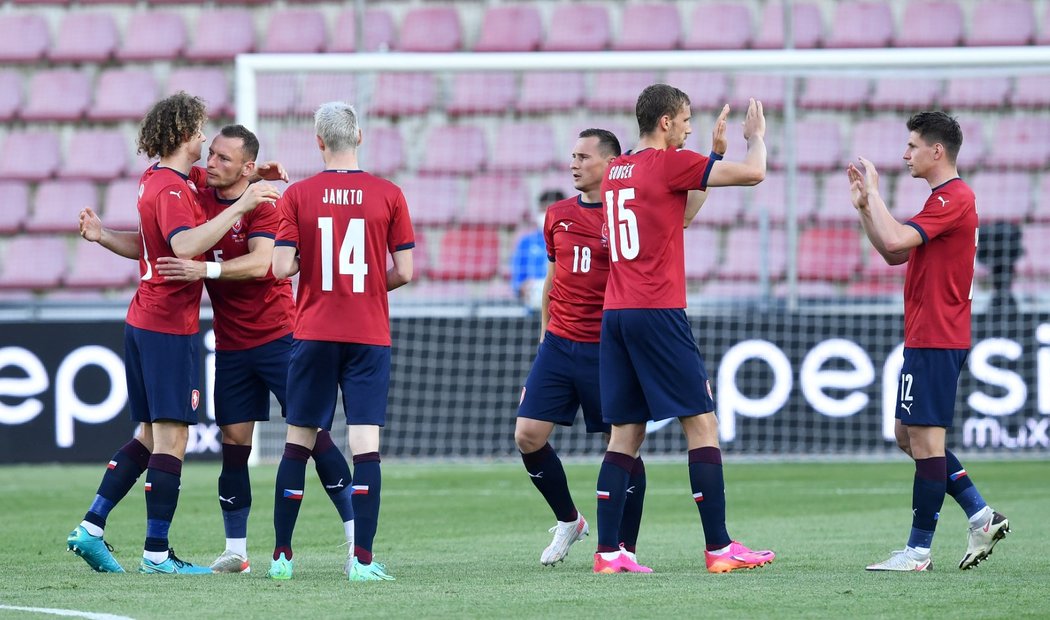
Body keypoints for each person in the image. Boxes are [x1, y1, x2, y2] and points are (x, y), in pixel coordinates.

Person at [78, 124, 360, 575]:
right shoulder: (197, 191)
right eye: (210, 154)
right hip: (231, 345)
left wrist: (205, 269)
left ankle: (354, 538)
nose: (210, 164)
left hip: (279, 337)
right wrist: (105, 235)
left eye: (223, 159)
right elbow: (164, 248)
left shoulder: (266, 202)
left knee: (313, 432)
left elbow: (261, 263)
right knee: (234, 443)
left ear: (246, 168)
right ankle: (236, 549)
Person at [65, 93, 281, 575]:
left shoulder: (159, 180)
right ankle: (157, 555)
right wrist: (243, 203)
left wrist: (104, 237)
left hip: (144, 319)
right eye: (200, 130)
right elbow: (183, 247)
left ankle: (92, 526)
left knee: (148, 436)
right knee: (172, 439)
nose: (205, 139)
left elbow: (151, 246)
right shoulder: (173, 190)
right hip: (166, 325)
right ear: (184, 133)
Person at [594, 84, 773, 575]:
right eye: (688, 119)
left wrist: (711, 156)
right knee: (702, 424)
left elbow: (684, 214)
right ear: (666, 122)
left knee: (625, 434)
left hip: (618, 314)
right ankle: (719, 547)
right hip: (658, 310)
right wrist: (754, 138)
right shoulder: (670, 162)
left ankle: (609, 553)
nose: (692, 127)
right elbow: (755, 173)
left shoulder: (616, 172)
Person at [850, 111, 1010, 572]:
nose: (906, 154)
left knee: (924, 440)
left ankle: (918, 552)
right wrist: (865, 207)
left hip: (938, 335)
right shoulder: (941, 200)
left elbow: (897, 237)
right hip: (928, 334)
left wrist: (876, 195)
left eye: (912, 145)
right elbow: (894, 251)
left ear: (936, 151)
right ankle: (981, 515)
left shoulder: (954, 197)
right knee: (909, 435)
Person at [268, 101, 414, 582]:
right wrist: (368, 284)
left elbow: (279, 268)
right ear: (360, 138)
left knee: (297, 443)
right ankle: (363, 563)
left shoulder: (298, 196)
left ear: (318, 142)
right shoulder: (389, 194)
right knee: (365, 446)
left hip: (313, 332)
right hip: (368, 334)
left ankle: (282, 558)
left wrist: (312, 268)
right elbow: (406, 272)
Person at [511, 189, 566, 308]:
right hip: (533, 310)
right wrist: (524, 287)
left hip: (564, 309)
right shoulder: (526, 242)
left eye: (551, 210)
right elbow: (517, 281)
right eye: (543, 210)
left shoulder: (572, 241)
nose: (546, 215)